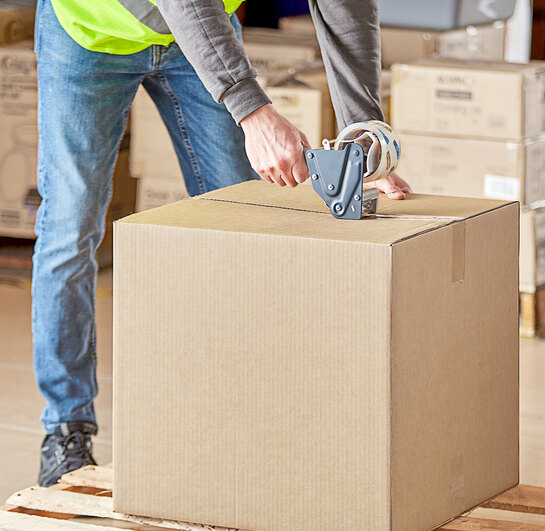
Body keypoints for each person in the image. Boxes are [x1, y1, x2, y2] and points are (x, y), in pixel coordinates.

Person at [33, 0, 411, 486]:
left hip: (198, 36)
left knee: (240, 226)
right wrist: (252, 111)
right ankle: (67, 427)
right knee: (71, 227)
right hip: (89, 30)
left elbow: (345, 8)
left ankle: (243, 420)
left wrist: (363, 136)